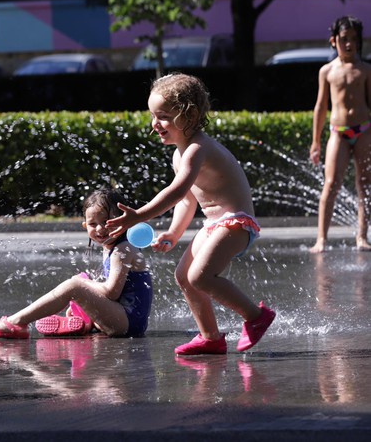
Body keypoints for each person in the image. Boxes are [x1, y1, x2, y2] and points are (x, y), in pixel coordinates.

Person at [105, 73, 275, 355]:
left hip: (236, 222)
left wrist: (140, 215)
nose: (154, 124)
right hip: (215, 225)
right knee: (184, 276)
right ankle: (210, 337)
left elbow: (175, 190)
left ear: (190, 114)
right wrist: (174, 232)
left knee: (200, 277)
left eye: (163, 117)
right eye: (152, 116)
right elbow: (186, 199)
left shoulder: (197, 149)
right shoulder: (179, 154)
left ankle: (256, 317)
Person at [0, 188, 153, 339]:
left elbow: (112, 293)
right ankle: (85, 321)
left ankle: (16, 323)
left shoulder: (123, 249)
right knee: (83, 280)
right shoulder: (110, 246)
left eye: (107, 222)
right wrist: (85, 295)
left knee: (76, 285)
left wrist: (82, 285)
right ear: (85, 226)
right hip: (121, 319)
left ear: (122, 220)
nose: (100, 229)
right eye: (93, 224)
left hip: (128, 325)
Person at [309, 15, 371, 253]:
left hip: (364, 130)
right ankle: (321, 238)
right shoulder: (327, 71)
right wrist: (316, 141)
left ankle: (361, 237)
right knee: (331, 183)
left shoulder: (365, 70)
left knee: (364, 184)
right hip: (339, 133)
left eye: (354, 39)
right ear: (333, 40)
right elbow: (320, 107)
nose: (349, 44)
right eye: (344, 39)